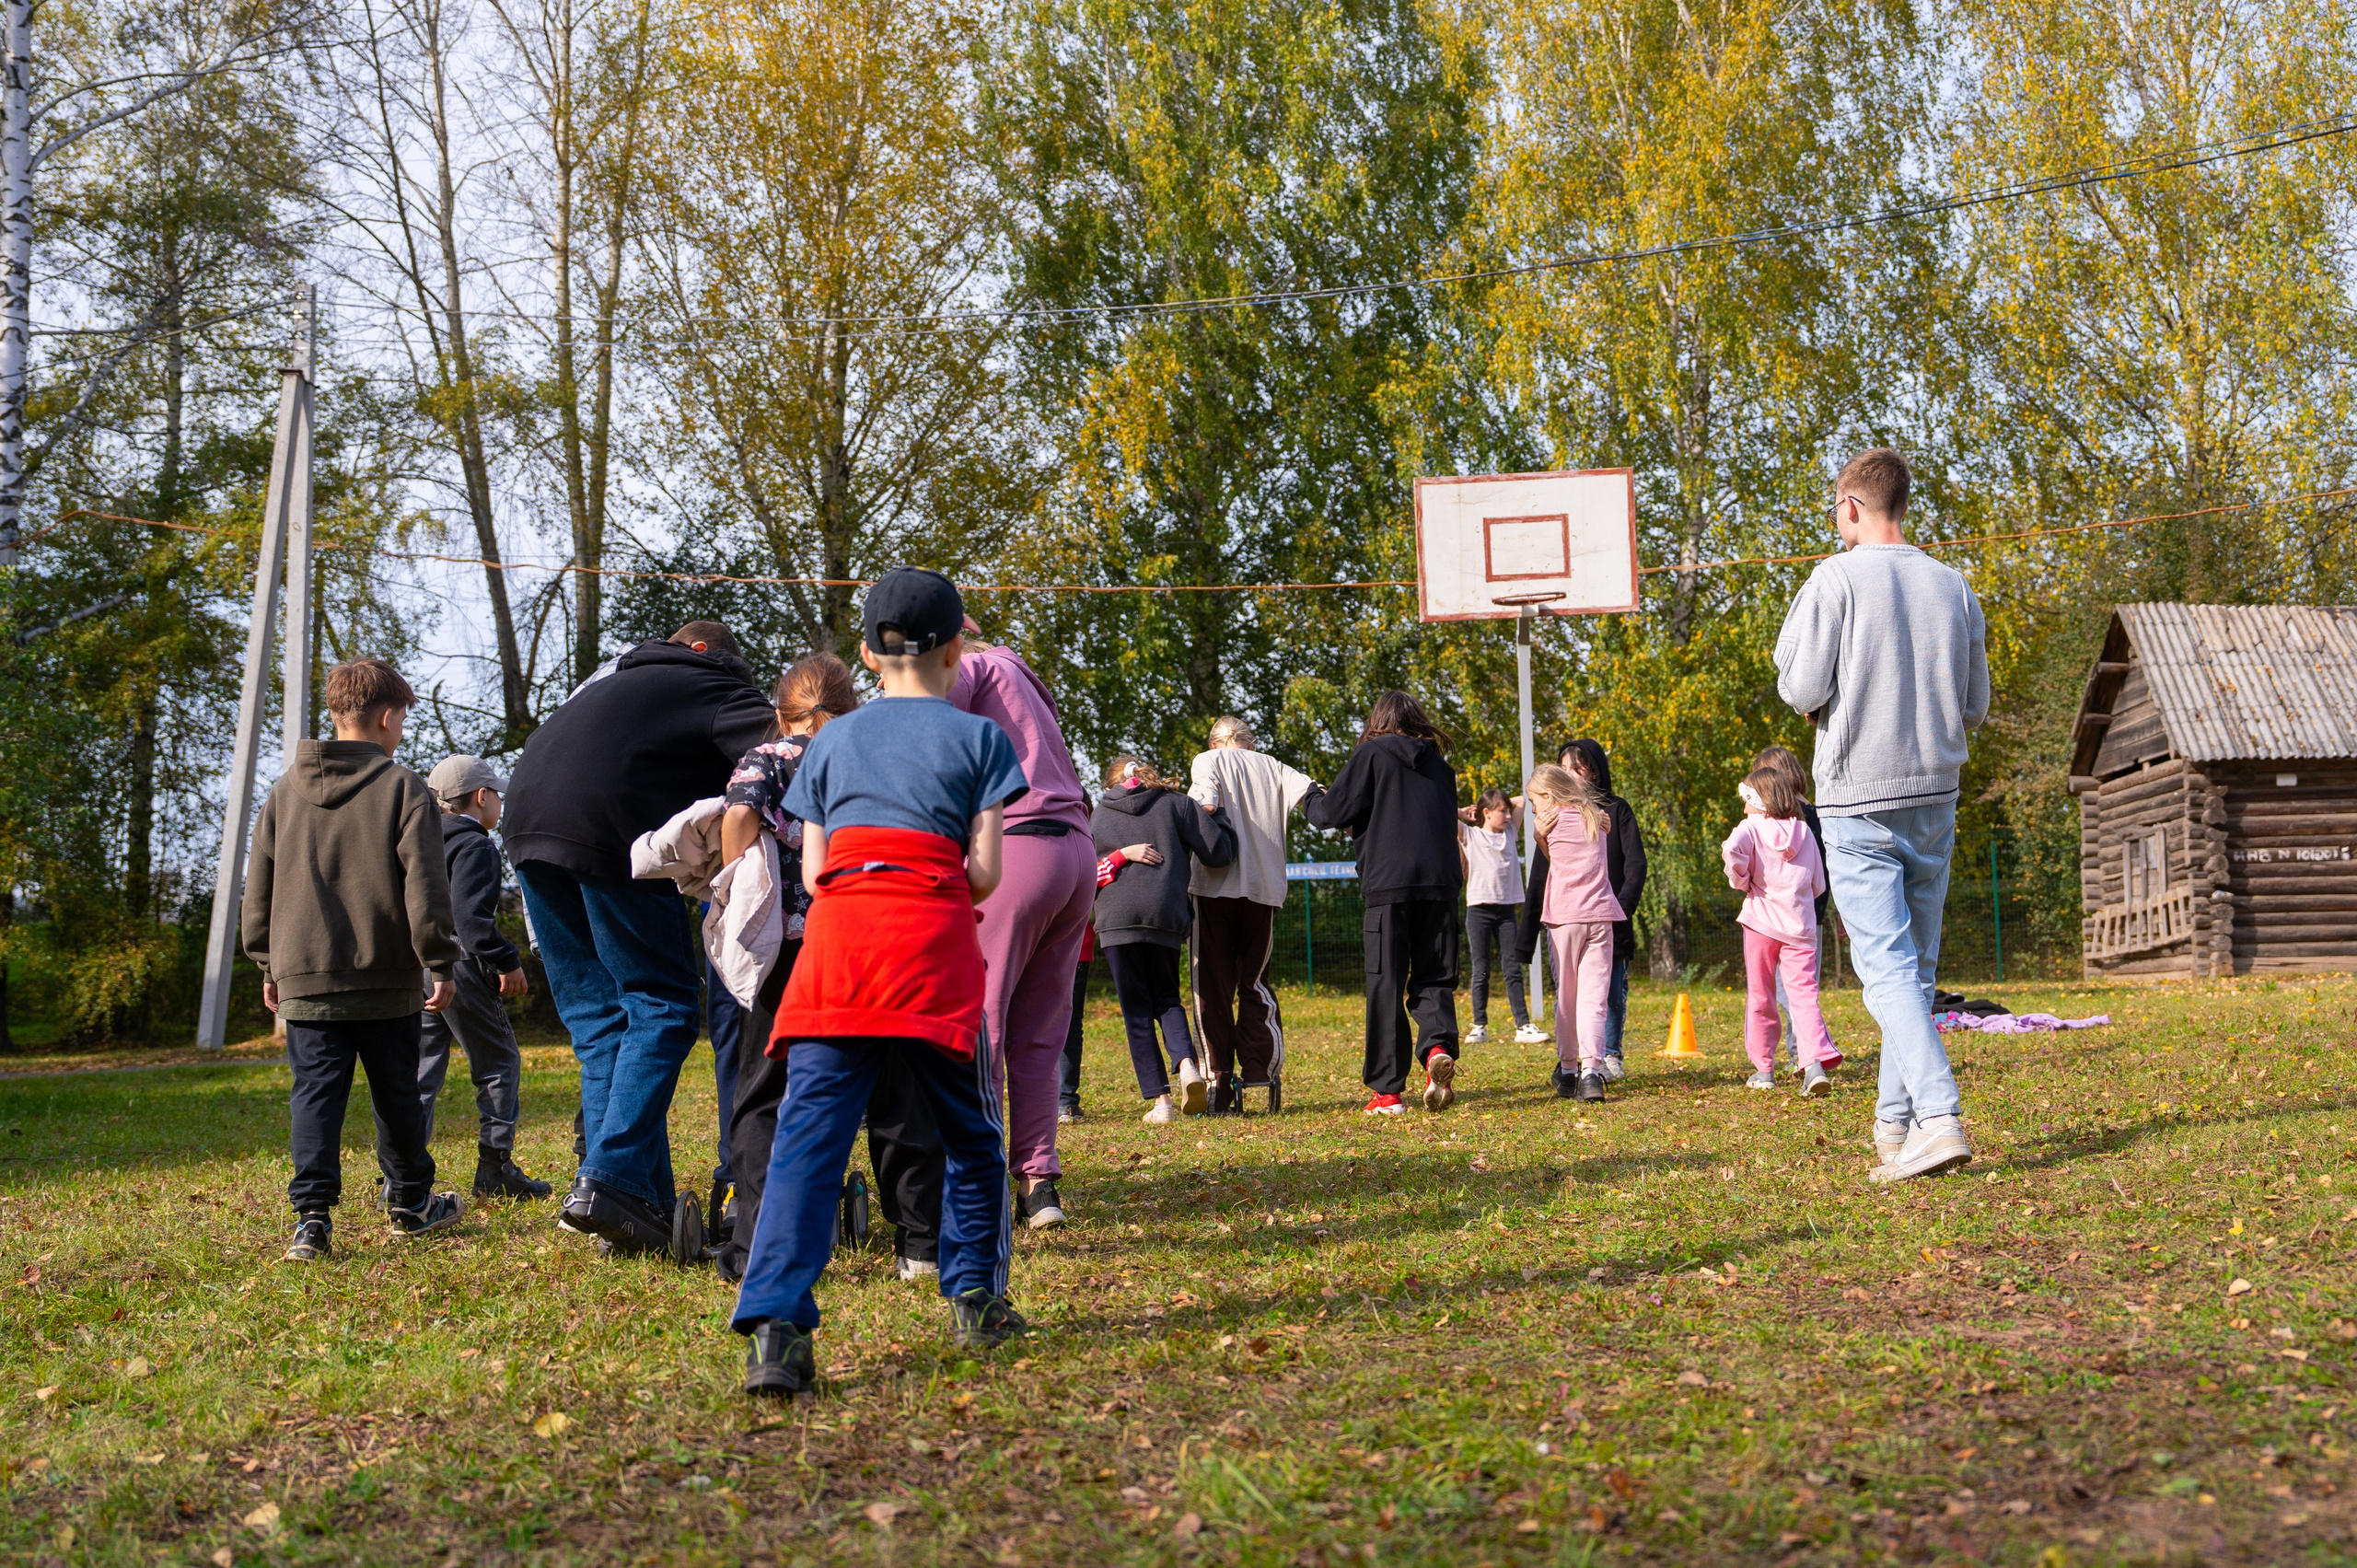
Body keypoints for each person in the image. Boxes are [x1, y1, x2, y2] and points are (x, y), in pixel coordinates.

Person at [734, 568, 1031, 1395]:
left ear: (865, 653)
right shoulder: (981, 742)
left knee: (808, 1139)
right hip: (932, 954)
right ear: (957, 648)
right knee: (971, 1133)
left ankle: (776, 1329)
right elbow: (982, 875)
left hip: (840, 956)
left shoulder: (827, 743)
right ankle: (976, 1297)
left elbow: (818, 863)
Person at [503, 621, 776, 1256]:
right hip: (612, 823)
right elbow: (788, 751)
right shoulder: (713, 680)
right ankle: (613, 1177)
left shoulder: (610, 679)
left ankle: (633, 1210)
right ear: (709, 653)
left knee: (602, 1024)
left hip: (525, 825)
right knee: (664, 1004)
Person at [1774, 447, 1989, 1183]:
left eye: (1834, 508)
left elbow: (1800, 682)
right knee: (1915, 972)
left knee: (1885, 971)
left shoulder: (1833, 579)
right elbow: (1976, 704)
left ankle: (1939, 1115)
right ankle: (1895, 1132)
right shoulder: (1955, 586)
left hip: (1859, 796)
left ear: (1852, 506)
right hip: (1935, 793)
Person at [709, 654, 943, 1285]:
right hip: (871, 940)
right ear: (850, 707)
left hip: (786, 949)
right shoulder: (878, 756)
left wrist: (737, 884)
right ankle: (921, 1242)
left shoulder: (769, 758)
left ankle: (755, 1241)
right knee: (895, 1084)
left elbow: (738, 815)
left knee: (764, 1091)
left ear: (780, 714)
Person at [243, 658, 466, 1260]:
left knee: (314, 1096)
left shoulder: (285, 789)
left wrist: (269, 962)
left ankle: (311, 1221)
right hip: (387, 978)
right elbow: (426, 884)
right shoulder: (403, 787)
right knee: (397, 1095)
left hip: (307, 979)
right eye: (402, 722)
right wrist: (439, 962)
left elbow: (258, 883)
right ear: (388, 717)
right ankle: (411, 1204)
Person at [946, 621, 1095, 1230]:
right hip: (1076, 849)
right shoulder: (1022, 674)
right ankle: (1039, 1186)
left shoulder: (969, 671)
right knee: (1040, 1027)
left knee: (982, 1021)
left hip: (1017, 845)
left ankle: (976, 1181)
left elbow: (921, 734)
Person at [370, 754, 550, 1202]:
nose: (500, 808)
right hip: (463, 966)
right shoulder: (475, 845)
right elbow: (471, 923)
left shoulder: (414, 839)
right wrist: (507, 960)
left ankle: (399, 1173)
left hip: (416, 967)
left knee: (420, 1071)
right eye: (497, 798)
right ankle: (495, 1167)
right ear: (482, 796)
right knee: (498, 1063)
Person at [1306, 691, 1463, 1116]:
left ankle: (1388, 1093)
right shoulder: (1441, 768)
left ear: (1378, 721)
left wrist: (1309, 796)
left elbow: (1330, 813)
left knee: (1385, 983)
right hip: (1441, 884)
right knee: (1434, 978)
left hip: (1389, 885)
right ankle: (1436, 1051)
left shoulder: (1371, 755)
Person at [1187, 715, 1322, 1112]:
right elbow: (1316, 796)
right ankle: (1261, 1071)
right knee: (1255, 982)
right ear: (1250, 741)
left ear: (1215, 743)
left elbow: (1205, 804)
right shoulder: (1274, 765)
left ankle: (1218, 1082)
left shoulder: (1207, 761)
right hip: (1264, 889)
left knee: (1211, 986)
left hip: (1214, 886)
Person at [1093, 757, 1237, 1122]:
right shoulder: (1176, 804)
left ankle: (1162, 1104)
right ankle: (1188, 1067)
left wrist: (1120, 856)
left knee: (1137, 1012)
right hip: (1164, 914)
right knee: (1167, 998)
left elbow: (1083, 871)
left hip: (1117, 918)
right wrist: (1218, 816)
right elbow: (1218, 854)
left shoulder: (1098, 814)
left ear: (1112, 783)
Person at [1518, 741, 1647, 1078]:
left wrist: (1624, 905)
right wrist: (1525, 936)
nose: (1572, 775)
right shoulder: (1550, 819)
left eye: (1579, 767)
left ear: (1595, 770)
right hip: (1571, 914)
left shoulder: (1612, 812)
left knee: (1611, 991)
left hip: (1610, 913)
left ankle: (1609, 1055)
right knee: (1576, 993)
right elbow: (1543, 875)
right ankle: (1583, 1062)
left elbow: (1635, 863)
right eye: (1565, 769)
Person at [1722, 767, 1834, 1097]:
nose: (1744, 808)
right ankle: (1813, 1066)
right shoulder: (1805, 832)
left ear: (1761, 801)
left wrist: (1743, 881)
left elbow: (1732, 852)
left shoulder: (1749, 828)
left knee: (1761, 995)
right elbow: (1818, 884)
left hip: (1761, 925)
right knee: (1804, 998)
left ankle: (1763, 1070)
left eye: (1747, 800)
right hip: (1800, 928)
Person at [1527, 763, 1623, 1103]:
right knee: (1593, 999)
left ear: (1549, 797)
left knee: (1567, 998)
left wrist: (1539, 835)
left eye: (1534, 800)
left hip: (1566, 917)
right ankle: (1592, 1073)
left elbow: (1554, 859)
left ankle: (1568, 1072)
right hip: (1600, 915)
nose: (1534, 809)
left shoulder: (1549, 822)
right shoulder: (1596, 817)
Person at [1752, 744, 1843, 1073]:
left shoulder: (1780, 821)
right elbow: (1830, 871)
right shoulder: (1819, 817)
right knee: (1802, 986)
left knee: (1786, 990)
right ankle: (1801, 1053)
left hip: (1776, 918)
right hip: (1809, 915)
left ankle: (1807, 1052)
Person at [1455, 788, 1536, 1047]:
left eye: (1507, 811)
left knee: (1513, 969)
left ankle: (1522, 1024)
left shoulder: (1510, 833)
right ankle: (1479, 1025)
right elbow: (1441, 813)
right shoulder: (1470, 834)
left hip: (1506, 912)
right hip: (1478, 910)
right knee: (1480, 971)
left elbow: (1521, 800)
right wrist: (1465, 813)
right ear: (1487, 814)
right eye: (1502, 811)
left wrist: (1501, 802)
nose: (1508, 815)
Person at [1058, 922, 1096, 1122]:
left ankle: (1034, 1101)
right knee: (1070, 1024)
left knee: (1031, 1025)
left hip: (1034, 946)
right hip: (1076, 944)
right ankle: (1066, 1102)